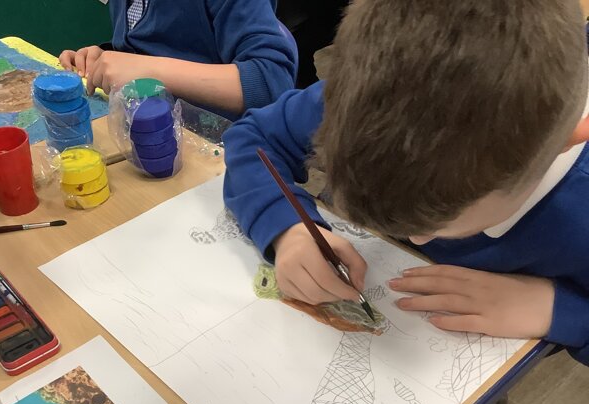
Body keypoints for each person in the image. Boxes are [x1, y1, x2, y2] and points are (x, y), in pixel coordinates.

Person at [222, 0, 589, 363]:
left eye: (439, 226)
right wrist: (288, 229)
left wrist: (560, 310)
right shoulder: (377, 95)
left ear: (566, 142)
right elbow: (253, 139)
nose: (413, 239)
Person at [59, 0, 298, 119]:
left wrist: (150, 71)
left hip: (219, 152)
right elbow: (149, 44)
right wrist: (105, 57)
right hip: (149, 129)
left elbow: (271, 83)